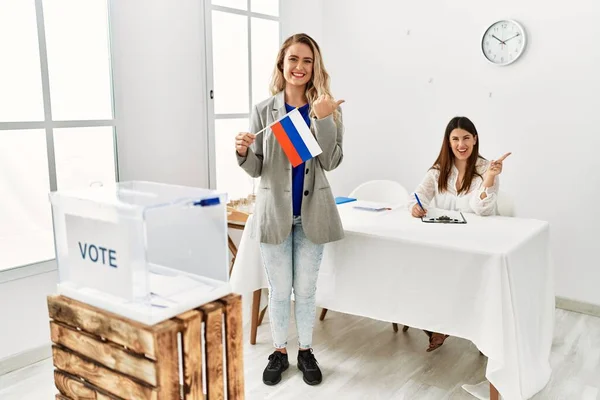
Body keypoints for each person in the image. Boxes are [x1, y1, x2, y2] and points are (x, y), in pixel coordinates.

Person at [235, 33, 345, 385]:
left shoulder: (327, 107)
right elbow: (257, 168)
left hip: (312, 213)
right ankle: (280, 351)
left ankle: (306, 350)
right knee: (279, 290)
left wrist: (325, 119)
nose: (300, 67)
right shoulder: (263, 111)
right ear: (282, 65)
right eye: (293, 59)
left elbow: (331, 160)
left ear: (315, 68)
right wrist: (242, 152)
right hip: (274, 214)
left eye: (307, 61)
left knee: (307, 290)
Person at [408, 116, 511, 352]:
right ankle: (437, 324)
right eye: (455, 139)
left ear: (474, 139)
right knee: (425, 267)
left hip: (478, 240)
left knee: (456, 274)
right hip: (445, 238)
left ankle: (455, 326)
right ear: (448, 141)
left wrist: (490, 178)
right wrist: (415, 207)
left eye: (466, 138)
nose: (461, 144)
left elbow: (481, 209)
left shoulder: (487, 168)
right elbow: (417, 196)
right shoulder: (438, 170)